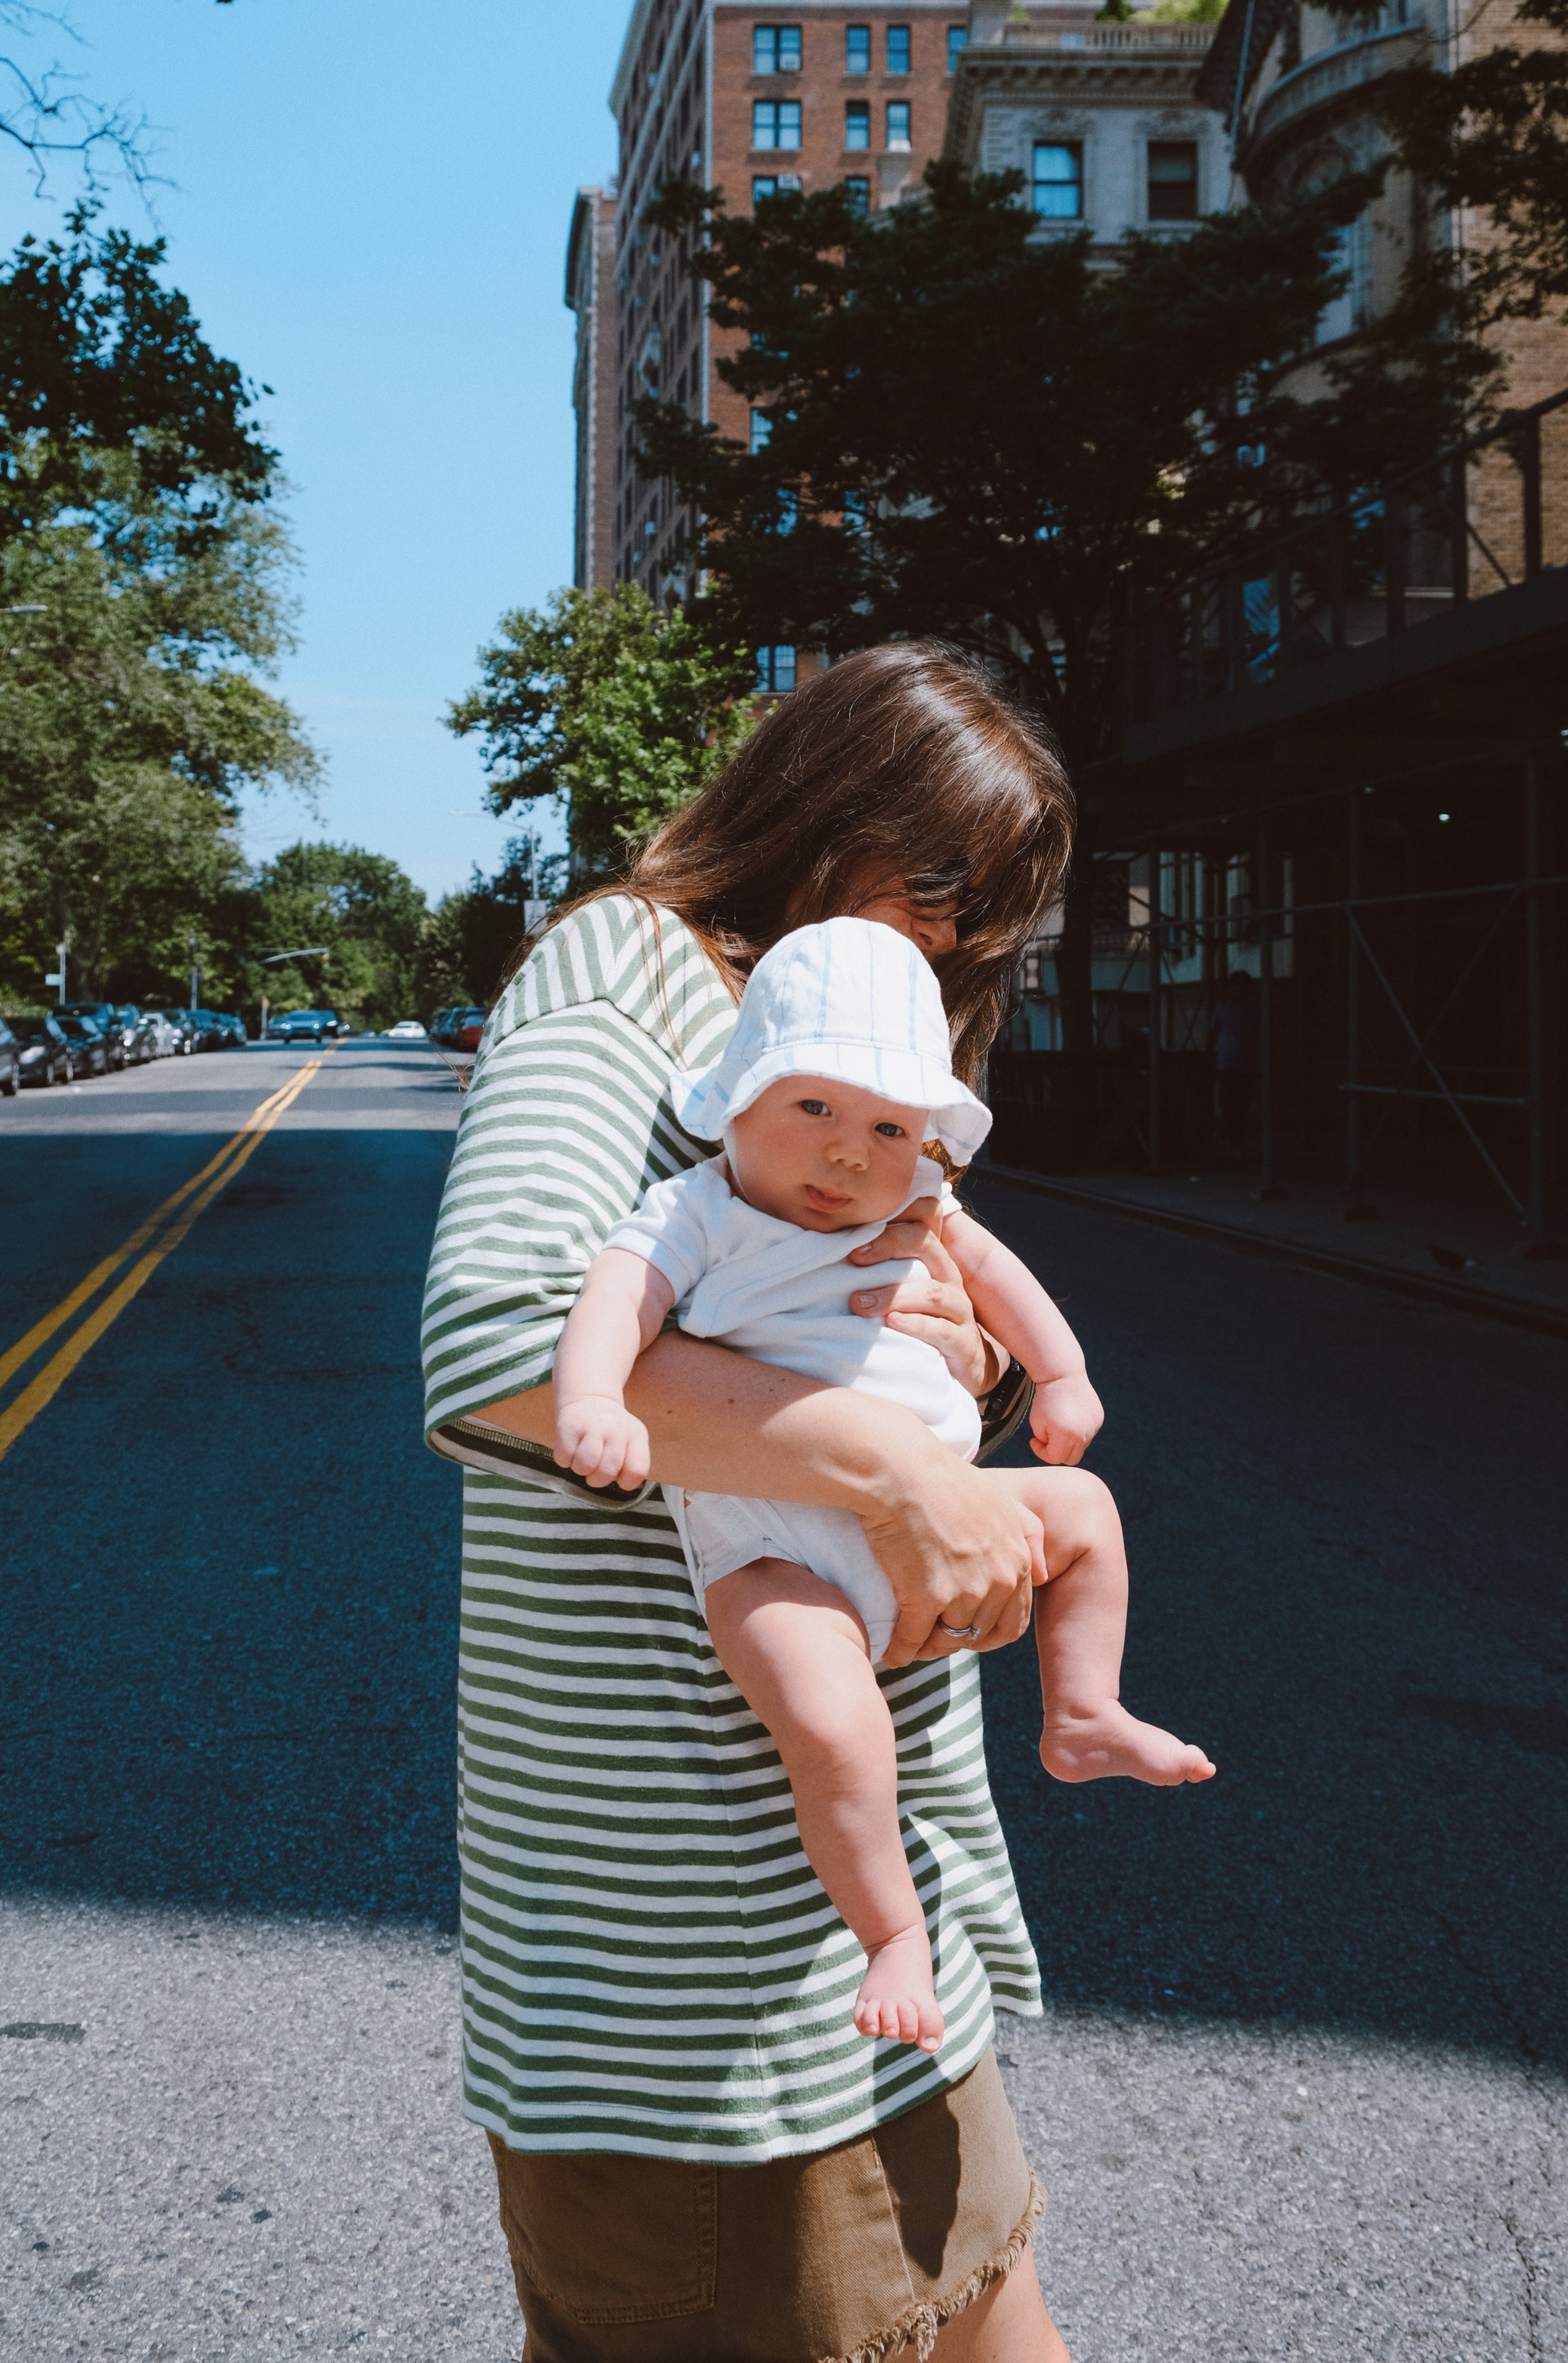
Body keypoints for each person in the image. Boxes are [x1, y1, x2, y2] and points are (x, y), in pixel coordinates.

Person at [421, 644, 1085, 2363]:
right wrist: (895, 1473)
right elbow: (497, 1336)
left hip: (870, 1926)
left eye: (992, 914)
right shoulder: (624, 972)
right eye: (941, 878)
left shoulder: (818, 1029)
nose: (955, 939)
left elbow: (887, 1324)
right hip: (700, 1988)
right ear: (822, 805)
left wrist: (968, 1396)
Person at [554, 917, 1213, 2056]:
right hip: (773, 1549)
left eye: (890, 1126)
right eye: (814, 1108)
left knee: (1089, 1512)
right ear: (737, 1101)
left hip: (940, 1502)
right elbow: (614, 1302)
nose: (850, 1154)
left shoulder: (922, 1208)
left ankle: (1083, 1711)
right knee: (837, 1731)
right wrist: (596, 1402)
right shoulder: (697, 1207)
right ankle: (892, 1932)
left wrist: (1057, 1373)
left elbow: (1001, 1276)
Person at [1212, 971, 1258, 1159]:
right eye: (1236, 985)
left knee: (1241, 1105)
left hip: (1244, 1061)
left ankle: (1234, 1140)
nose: (1238, 989)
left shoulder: (1252, 1010)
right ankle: (1235, 1142)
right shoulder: (1223, 1009)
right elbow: (1213, 1034)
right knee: (1233, 1103)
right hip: (1229, 1062)